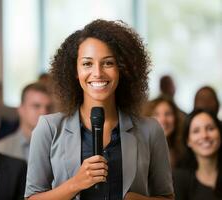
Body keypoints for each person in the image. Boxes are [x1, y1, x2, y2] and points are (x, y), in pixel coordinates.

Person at [25, 19, 174, 200]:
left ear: (122, 69)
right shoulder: (49, 128)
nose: (97, 73)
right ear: (75, 70)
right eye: (87, 63)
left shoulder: (150, 129)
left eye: (108, 63)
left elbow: (167, 196)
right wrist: (75, 184)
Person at [0, 82, 54, 161]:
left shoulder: (62, 147)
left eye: (48, 107)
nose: (44, 112)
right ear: (21, 109)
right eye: (36, 106)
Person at [173, 109, 222, 200]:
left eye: (210, 128)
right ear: (188, 141)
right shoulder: (178, 180)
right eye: (196, 131)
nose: (204, 135)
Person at [142, 96, 184, 168]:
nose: (163, 120)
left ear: (176, 119)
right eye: (156, 114)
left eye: (168, 114)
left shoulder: (183, 152)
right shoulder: (138, 152)